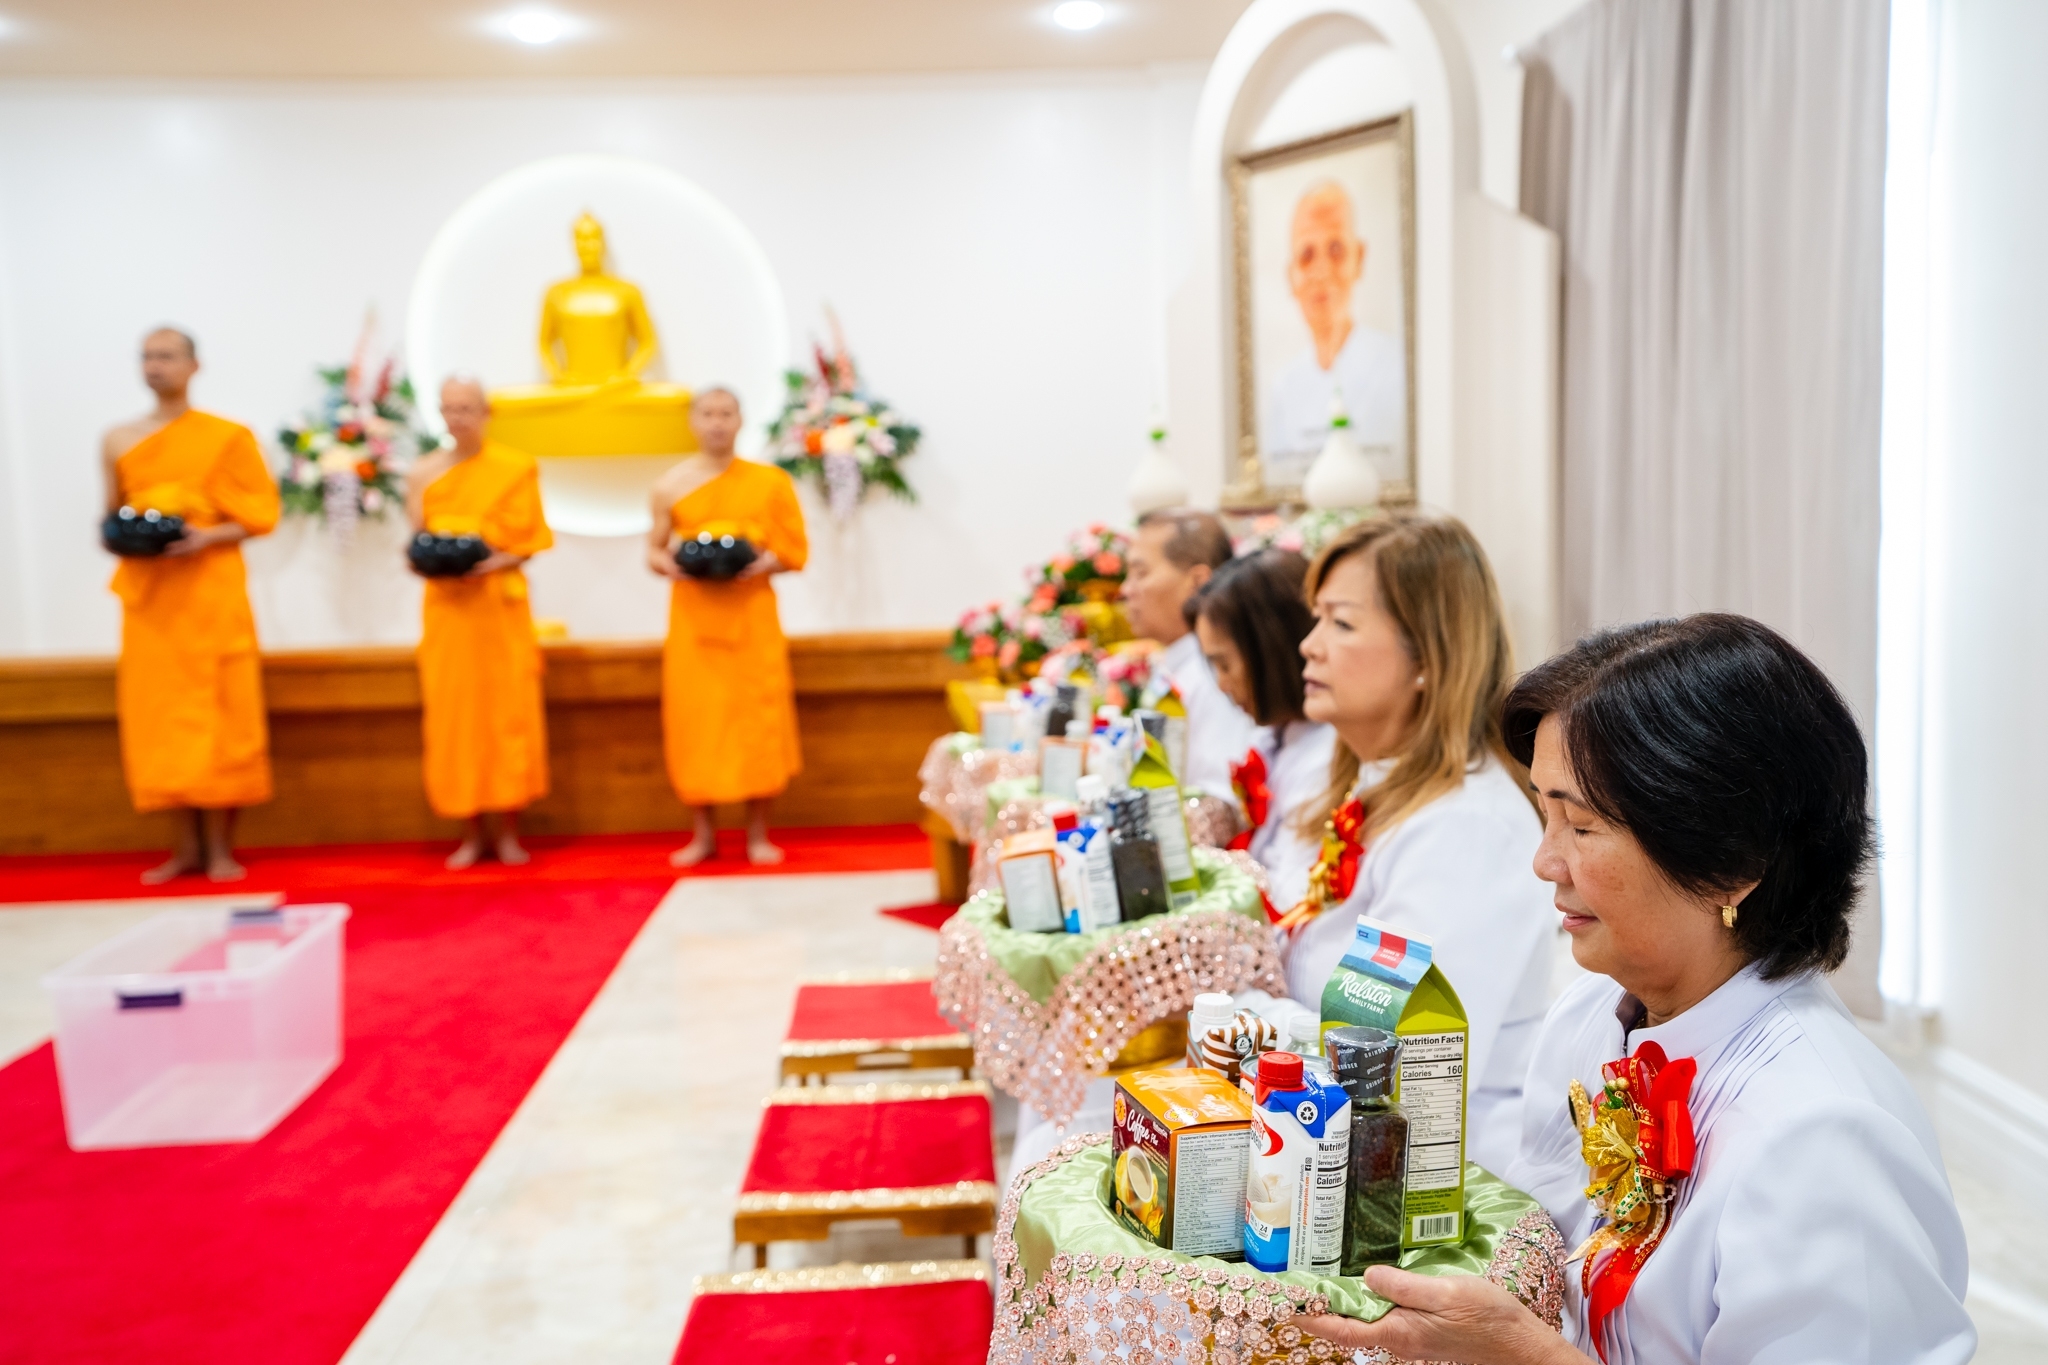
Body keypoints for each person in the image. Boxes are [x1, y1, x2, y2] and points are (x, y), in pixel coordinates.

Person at [1300, 614, 1973, 1363]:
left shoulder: (1822, 1140)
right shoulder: (1595, 1013)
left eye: (1582, 828)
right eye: (1544, 813)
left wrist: (1530, 1355)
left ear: (1729, 863)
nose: (1544, 862)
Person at [1282, 514, 1554, 1175]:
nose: (1309, 646)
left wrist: (1244, 1013)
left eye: (1341, 624)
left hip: (1437, 1186)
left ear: (1427, 659)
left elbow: (1391, 1060)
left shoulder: (1465, 827)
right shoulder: (1371, 782)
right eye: (1316, 619)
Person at [101, 328, 280, 883]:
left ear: (194, 365)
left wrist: (205, 537)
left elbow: (262, 515)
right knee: (163, 724)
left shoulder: (226, 437)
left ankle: (223, 849)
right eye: (147, 356)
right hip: (153, 604)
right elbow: (111, 515)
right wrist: (130, 538)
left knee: (224, 718)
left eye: (167, 356)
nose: (156, 366)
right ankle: (183, 849)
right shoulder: (118, 439)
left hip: (211, 595)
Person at [647, 387, 808, 867]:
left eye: (726, 413)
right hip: (695, 622)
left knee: (757, 723)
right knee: (700, 725)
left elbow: (795, 551)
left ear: (740, 421)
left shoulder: (769, 482)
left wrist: (761, 565)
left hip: (751, 617)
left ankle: (758, 833)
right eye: (707, 414)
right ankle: (703, 834)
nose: (717, 423)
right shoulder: (670, 486)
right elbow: (654, 550)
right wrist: (671, 566)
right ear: (693, 423)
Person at [405, 378, 554, 870]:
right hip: (449, 611)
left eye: (467, 408)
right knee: (457, 719)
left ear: (487, 412)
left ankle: (509, 831)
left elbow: (529, 541)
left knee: (506, 716)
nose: (458, 417)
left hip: (497, 609)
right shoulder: (423, 473)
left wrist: (492, 561)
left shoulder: (515, 468)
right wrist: (433, 560)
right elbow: (416, 543)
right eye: (449, 409)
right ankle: (470, 833)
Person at [1188, 548, 1335, 911]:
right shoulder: (1276, 735)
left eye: (1224, 664)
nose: (1221, 685)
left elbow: (1296, 890)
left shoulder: (1328, 751)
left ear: (1271, 653)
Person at [1259, 180, 1406, 487]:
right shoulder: (1285, 386)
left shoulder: (1397, 366)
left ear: (1359, 258)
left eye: (1336, 249)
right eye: (1307, 254)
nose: (1322, 270)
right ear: (1291, 276)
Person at [1119, 508, 1257, 801]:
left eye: (1141, 573)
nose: (1126, 590)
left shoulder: (1217, 672)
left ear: (1197, 582)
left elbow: (1222, 795)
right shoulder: (1177, 661)